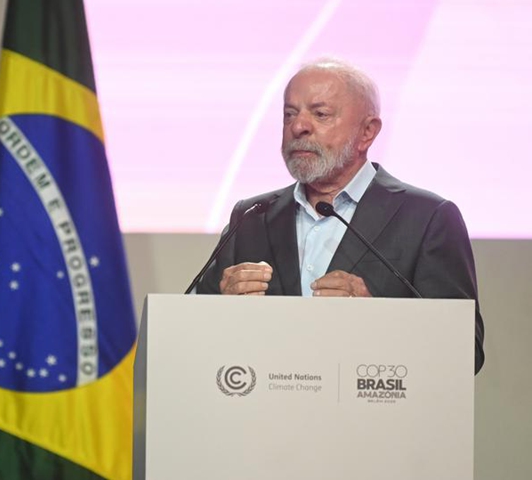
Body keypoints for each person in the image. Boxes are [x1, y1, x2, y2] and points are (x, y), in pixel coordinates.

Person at [196, 58, 485, 374]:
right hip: (266, 416)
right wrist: (220, 309)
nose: (298, 126)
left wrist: (376, 319)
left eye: (320, 114)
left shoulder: (428, 218)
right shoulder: (251, 216)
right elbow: (192, 329)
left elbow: (465, 351)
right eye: (289, 114)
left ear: (367, 132)